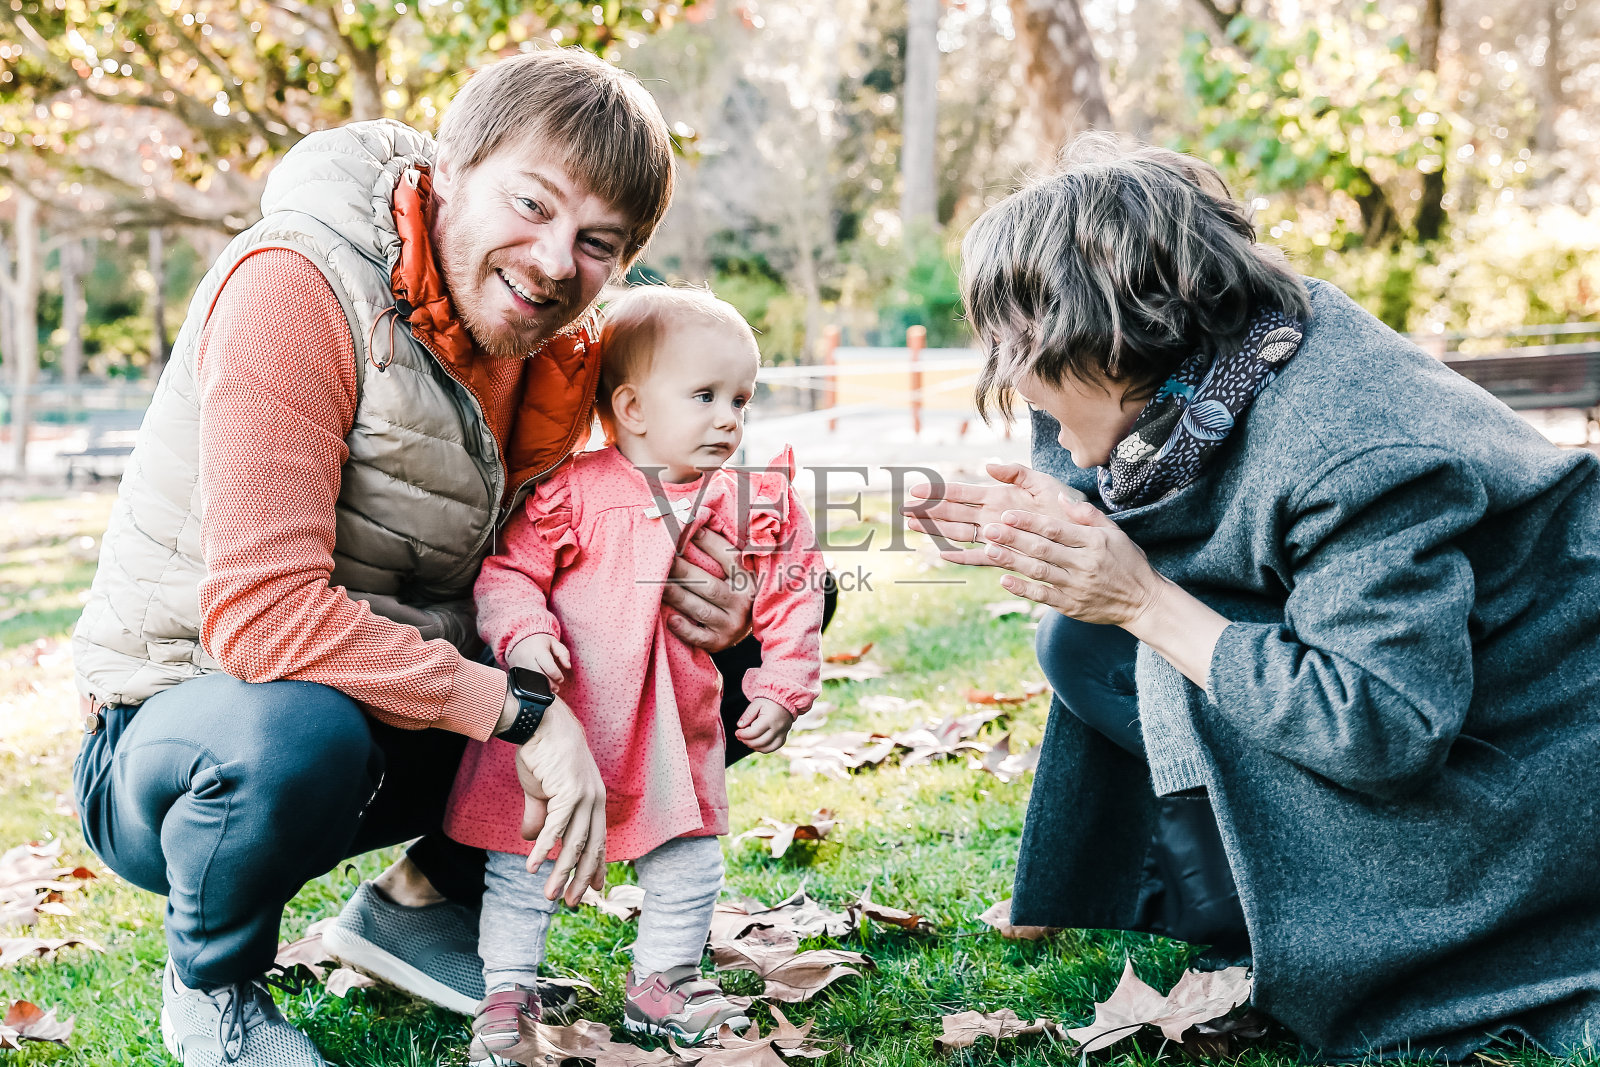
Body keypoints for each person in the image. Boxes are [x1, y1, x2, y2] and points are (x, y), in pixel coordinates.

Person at [69, 51, 767, 1067]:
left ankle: (425, 900)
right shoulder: (296, 285)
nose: (553, 259)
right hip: (190, 732)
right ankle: (212, 984)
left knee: (719, 634)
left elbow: (575, 550)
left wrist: (717, 596)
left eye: (597, 243)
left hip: (396, 698)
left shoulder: (557, 349)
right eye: (530, 203)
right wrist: (524, 712)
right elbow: (263, 618)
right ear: (449, 166)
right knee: (294, 728)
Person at [907, 133, 1600, 1059]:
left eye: (1020, 339)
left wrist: (1145, 600)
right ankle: (1226, 886)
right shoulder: (1229, 364)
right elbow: (1147, 482)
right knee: (1080, 641)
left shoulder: (1356, 448)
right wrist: (1022, 519)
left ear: (1110, 338)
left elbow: (1384, 726)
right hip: (1462, 714)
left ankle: (1321, 916)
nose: (1007, 368)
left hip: (1527, 771)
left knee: (1124, 634)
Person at [445, 286, 825, 1061]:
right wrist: (524, 635)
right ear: (634, 407)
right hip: (569, 722)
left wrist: (784, 684)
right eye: (707, 396)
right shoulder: (573, 491)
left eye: (741, 400)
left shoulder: (751, 501)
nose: (730, 417)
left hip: (666, 731)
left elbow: (794, 584)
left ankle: (664, 979)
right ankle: (508, 988)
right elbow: (509, 574)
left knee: (689, 860)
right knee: (521, 865)